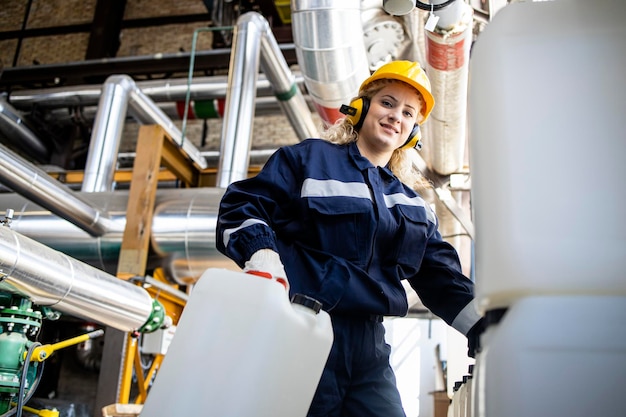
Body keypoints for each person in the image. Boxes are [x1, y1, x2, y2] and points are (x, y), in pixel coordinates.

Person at [216, 60, 483, 417]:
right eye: (387, 103)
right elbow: (242, 205)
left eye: (407, 112)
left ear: (413, 132)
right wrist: (262, 255)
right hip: (304, 328)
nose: (395, 116)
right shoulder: (309, 160)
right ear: (361, 107)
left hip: (370, 347)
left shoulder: (410, 202)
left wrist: (483, 328)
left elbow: (439, 275)